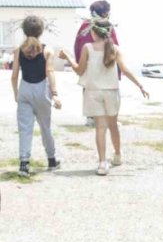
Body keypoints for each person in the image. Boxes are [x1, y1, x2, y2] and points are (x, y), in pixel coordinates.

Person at [58, 18, 149, 175]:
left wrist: (67, 57)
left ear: (93, 32)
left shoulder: (87, 48)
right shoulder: (115, 49)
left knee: (100, 128)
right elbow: (125, 71)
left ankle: (102, 163)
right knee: (113, 125)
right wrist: (140, 86)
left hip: (93, 92)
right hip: (111, 92)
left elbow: (79, 71)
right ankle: (118, 155)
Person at [11, 16, 61, 177]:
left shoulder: (19, 51)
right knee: (45, 126)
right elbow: (50, 73)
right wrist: (55, 95)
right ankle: (52, 159)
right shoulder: (47, 51)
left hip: (25, 88)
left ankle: (24, 164)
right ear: (41, 31)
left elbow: (14, 75)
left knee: (25, 128)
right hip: (42, 90)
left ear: (24, 31)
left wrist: (16, 93)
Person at [75, 0, 120, 126]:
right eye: (108, 10)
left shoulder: (85, 25)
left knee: (89, 88)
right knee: (106, 89)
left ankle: (90, 117)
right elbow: (114, 45)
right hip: (105, 62)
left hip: (89, 63)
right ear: (104, 12)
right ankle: (106, 116)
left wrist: (81, 63)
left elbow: (78, 45)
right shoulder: (106, 25)